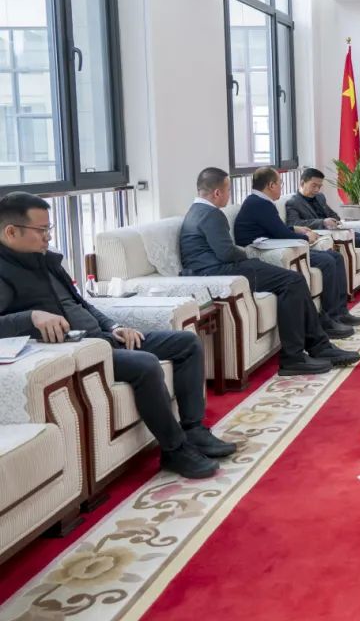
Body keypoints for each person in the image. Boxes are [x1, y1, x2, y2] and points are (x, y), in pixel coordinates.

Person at [0, 192, 235, 479]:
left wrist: (113, 326)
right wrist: (31, 317)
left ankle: (194, 430)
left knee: (186, 343)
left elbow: (82, 303)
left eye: (49, 228)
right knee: (146, 364)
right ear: (11, 232)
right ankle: (174, 450)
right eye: (41, 230)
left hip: (104, 337)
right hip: (79, 351)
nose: (48, 236)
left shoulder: (47, 261)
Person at [180, 167, 360, 377]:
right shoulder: (211, 214)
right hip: (220, 273)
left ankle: (318, 346)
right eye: (228, 190)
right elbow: (227, 252)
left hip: (217, 269)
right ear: (217, 193)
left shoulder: (196, 211)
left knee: (294, 280)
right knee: (292, 281)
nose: (230, 195)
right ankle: (296, 357)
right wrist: (247, 254)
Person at [233, 167, 360, 337]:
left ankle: (340, 312)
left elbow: (276, 229)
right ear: (271, 185)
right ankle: (330, 319)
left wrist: (295, 229)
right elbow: (279, 233)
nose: (281, 187)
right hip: (265, 251)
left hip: (275, 245)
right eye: (280, 183)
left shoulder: (259, 201)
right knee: (327, 261)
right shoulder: (259, 203)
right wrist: (307, 237)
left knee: (335, 257)